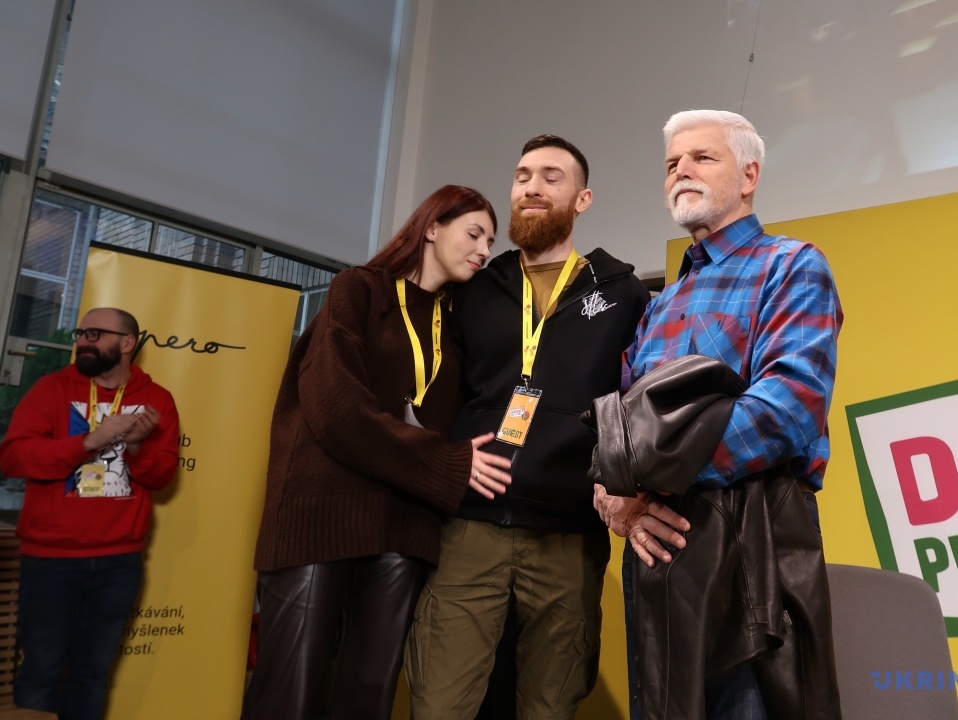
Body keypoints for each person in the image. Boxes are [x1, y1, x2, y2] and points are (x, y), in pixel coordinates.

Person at [593, 109, 843, 718]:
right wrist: (614, 498)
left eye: (702, 157)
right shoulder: (659, 305)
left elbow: (789, 404)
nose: (681, 170)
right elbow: (618, 431)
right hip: (656, 551)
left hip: (752, 542)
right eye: (671, 164)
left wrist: (651, 480)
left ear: (749, 175)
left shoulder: (791, 264)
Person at [241, 185, 513, 720]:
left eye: (490, 241)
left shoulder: (456, 322)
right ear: (432, 227)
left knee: (368, 696)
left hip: (404, 525)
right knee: (290, 694)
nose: (484, 250)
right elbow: (337, 409)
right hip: (323, 513)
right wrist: (446, 463)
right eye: (474, 234)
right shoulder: (358, 289)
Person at [404, 135, 651, 720]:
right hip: (469, 527)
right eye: (522, 177)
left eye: (550, 177)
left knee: (550, 706)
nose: (531, 188)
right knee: (438, 703)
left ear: (582, 199)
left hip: (568, 534)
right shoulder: (474, 289)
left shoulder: (622, 295)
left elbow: (637, 405)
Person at [0, 307, 180, 720]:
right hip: (51, 560)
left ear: (128, 343)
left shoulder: (157, 400)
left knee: (92, 675)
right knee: (40, 673)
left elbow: (162, 476)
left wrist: (137, 447)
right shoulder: (51, 390)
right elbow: (13, 457)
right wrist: (88, 442)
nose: (83, 340)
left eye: (95, 334)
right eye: (81, 333)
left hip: (120, 562)